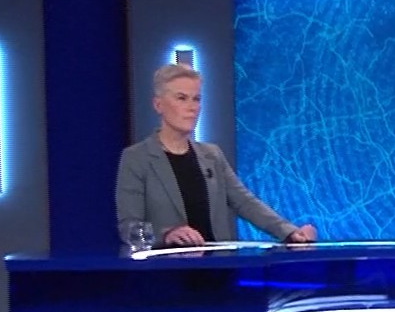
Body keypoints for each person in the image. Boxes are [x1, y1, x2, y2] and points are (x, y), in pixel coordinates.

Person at [114, 64, 317, 247]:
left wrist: (289, 232)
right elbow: (129, 227)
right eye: (181, 98)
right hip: (166, 271)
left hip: (216, 267)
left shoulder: (212, 155)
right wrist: (167, 235)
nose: (192, 107)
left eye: (196, 99)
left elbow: (245, 203)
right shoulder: (137, 158)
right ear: (158, 105)